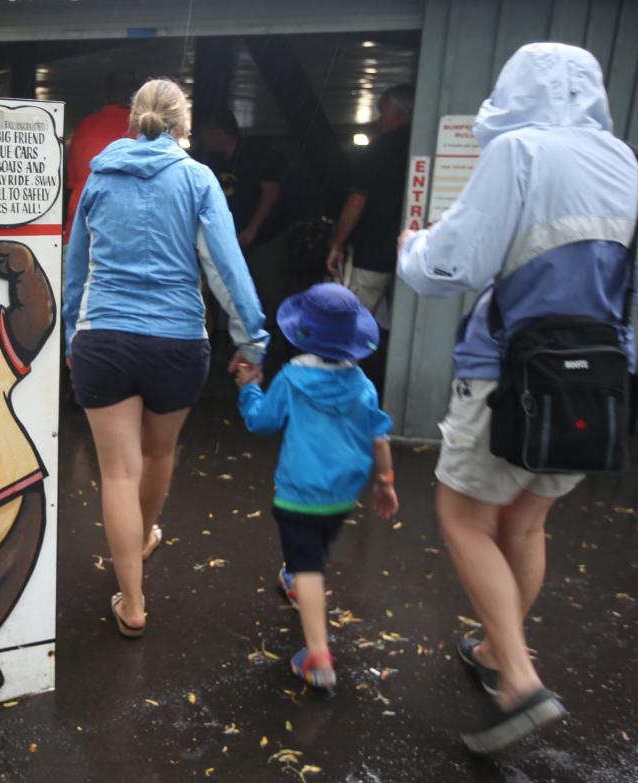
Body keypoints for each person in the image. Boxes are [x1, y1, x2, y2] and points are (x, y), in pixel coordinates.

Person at [396, 43, 638, 753]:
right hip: (601, 382)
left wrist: (411, 247)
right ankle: (492, 650)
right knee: (525, 523)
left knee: (463, 514)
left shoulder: (519, 152)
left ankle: (518, 677)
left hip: (510, 375)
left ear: (517, 88)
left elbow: (455, 262)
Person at [63, 79, 269, 638]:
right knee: (157, 459)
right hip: (177, 342)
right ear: (184, 129)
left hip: (103, 339)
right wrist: (252, 342)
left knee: (117, 472)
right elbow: (228, 271)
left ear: (132, 123)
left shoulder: (98, 177)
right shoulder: (198, 179)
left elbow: (74, 268)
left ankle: (132, 603)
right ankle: (143, 535)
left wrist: (68, 338)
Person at [235, 283, 399, 688]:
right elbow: (379, 436)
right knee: (313, 548)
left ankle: (317, 656)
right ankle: (293, 578)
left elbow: (262, 421)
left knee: (310, 566)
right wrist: (385, 482)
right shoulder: (362, 383)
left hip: (299, 494)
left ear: (304, 332)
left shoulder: (292, 377)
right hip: (342, 496)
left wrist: (248, 389)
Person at [326, 85, 414, 315]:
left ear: (402, 113)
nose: (379, 120)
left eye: (383, 112)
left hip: (373, 251)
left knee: (352, 318)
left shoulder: (381, 148)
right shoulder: (423, 145)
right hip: (411, 253)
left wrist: (337, 243)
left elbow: (357, 200)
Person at [199, 109, 288, 332]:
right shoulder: (215, 160)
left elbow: (270, 191)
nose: (204, 139)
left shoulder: (256, 154)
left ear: (219, 133)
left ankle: (274, 339)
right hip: (233, 239)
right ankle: (232, 338)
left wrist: (252, 229)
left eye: (207, 134)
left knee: (268, 289)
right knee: (233, 289)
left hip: (265, 237)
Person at [64, 72, 138, 243]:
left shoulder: (85, 125)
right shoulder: (140, 129)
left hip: (81, 212)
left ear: (106, 94)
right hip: (122, 219)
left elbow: (71, 182)